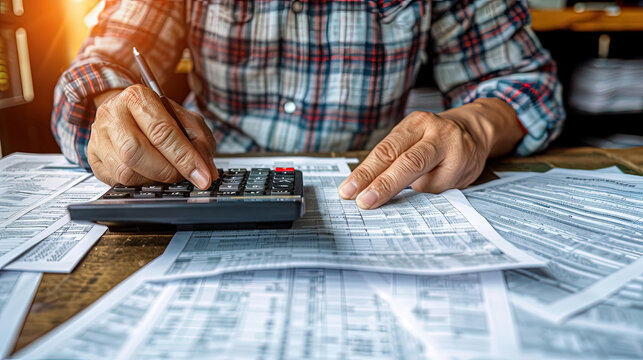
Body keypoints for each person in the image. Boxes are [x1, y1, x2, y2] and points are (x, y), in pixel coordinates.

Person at [52, 0, 564, 210]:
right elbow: (104, 62)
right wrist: (113, 107)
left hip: (381, 188)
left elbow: (522, 81)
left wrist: (473, 126)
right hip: (209, 181)